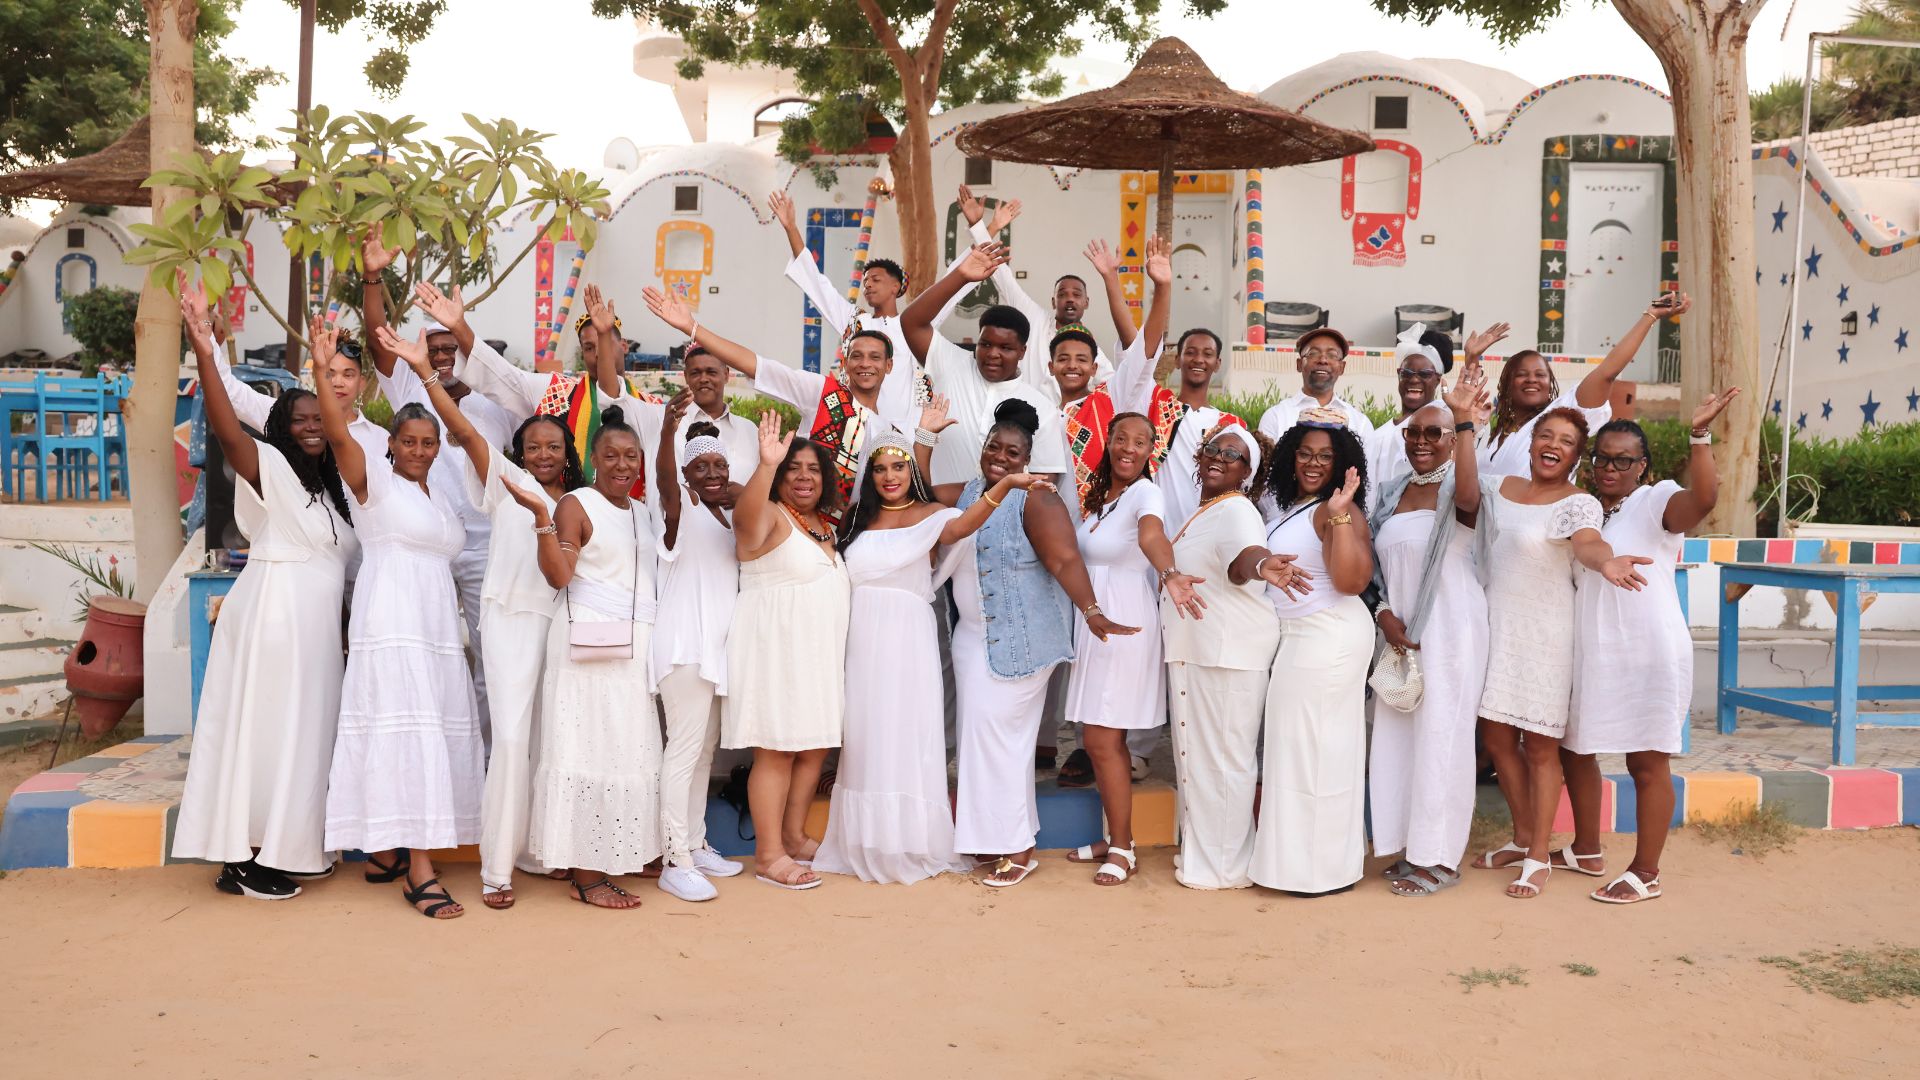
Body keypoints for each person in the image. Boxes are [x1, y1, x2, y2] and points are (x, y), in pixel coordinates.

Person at [372, 324, 581, 911]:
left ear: (568, 455)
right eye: (533, 447)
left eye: (553, 447)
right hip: (511, 622)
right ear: (519, 452)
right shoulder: (506, 482)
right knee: (510, 739)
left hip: (562, 628)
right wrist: (427, 373)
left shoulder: (578, 503)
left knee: (550, 741)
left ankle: (542, 849)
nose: (542, 455)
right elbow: (462, 431)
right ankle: (497, 868)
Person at [170, 288, 360, 901]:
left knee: (303, 740)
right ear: (279, 428)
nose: (311, 427)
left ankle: (287, 846)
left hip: (313, 635)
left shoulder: (332, 490)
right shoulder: (270, 467)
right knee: (264, 733)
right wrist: (204, 348)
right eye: (299, 420)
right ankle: (243, 859)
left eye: (318, 418)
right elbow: (229, 430)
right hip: (274, 622)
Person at [815, 420, 1046, 884]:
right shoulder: (857, 518)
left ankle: (913, 841)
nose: (890, 476)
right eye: (880, 468)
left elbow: (963, 525)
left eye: (898, 466)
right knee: (865, 734)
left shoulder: (932, 514)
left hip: (910, 638)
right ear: (870, 475)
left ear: (910, 472)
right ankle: (868, 839)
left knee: (908, 731)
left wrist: (1003, 486)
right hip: (862, 639)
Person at [921, 400, 1134, 887]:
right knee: (982, 744)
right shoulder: (969, 491)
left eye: (1011, 452)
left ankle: (1017, 848)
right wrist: (924, 437)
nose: (1000, 457)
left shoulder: (1037, 498)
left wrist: (1092, 611)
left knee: (1003, 746)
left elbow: (1064, 560)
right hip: (973, 640)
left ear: (1027, 458)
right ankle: (992, 840)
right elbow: (917, 491)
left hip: (1021, 642)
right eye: (993, 447)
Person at [312, 319, 483, 920]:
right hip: (392, 623)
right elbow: (337, 434)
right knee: (405, 733)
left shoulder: (441, 495)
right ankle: (420, 869)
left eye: (427, 443)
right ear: (391, 444)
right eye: (408, 441)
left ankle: (385, 851)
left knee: (424, 730)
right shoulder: (374, 483)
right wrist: (321, 372)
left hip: (435, 629)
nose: (418, 451)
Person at [1456, 406, 1653, 899]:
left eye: (1566, 441)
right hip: (1497, 629)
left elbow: (1587, 544)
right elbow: (1464, 498)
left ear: (1576, 456)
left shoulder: (1578, 503)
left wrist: (1607, 563)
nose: (1553, 445)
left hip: (1546, 636)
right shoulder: (1500, 488)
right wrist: (1463, 423)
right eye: (1546, 435)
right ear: (1531, 442)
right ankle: (1523, 836)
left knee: (1542, 747)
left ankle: (1540, 855)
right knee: (1497, 740)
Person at [1562, 388, 1740, 906]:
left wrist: (1699, 436)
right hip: (1593, 650)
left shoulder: (1656, 499)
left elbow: (1702, 500)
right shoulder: (1585, 509)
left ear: (1642, 466)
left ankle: (1646, 871)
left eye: (1623, 460)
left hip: (1647, 649)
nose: (1610, 468)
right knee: (1575, 748)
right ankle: (1587, 849)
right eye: (1602, 459)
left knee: (1646, 762)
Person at [363, 246, 519, 744]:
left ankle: (483, 759)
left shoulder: (497, 406)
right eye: (435, 349)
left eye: (454, 348)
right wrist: (372, 277)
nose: (445, 357)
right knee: (421, 651)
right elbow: (377, 338)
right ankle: (427, 751)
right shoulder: (409, 389)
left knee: (490, 656)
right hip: (422, 544)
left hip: (483, 548)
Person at [511, 404, 661, 910]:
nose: (622, 465)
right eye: (611, 455)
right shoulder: (576, 504)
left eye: (631, 456)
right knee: (586, 750)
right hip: (587, 645)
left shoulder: (641, 511)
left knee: (625, 750)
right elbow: (559, 576)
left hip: (631, 648)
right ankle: (587, 873)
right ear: (593, 458)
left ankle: (617, 851)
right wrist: (542, 520)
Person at [1044, 235, 1174, 786]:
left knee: (1103, 657)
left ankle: (1094, 750)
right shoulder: (1042, 412)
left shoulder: (1110, 403)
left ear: (1096, 366)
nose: (1073, 365)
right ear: (1051, 365)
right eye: (1064, 358)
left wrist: (1156, 286)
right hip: (1059, 548)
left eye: (1083, 358)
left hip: (1106, 554)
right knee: (1064, 653)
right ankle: (1053, 743)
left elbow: (1146, 347)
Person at [1365, 370, 1494, 897]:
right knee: (1399, 739)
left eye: (1434, 433)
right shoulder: (1392, 492)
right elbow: (1376, 569)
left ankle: (1439, 858)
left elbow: (1469, 499)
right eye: (1413, 433)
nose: (1421, 442)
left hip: (1452, 629)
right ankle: (1408, 846)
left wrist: (1463, 422)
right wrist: (1384, 616)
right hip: (1399, 632)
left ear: (1452, 440)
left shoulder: (1460, 486)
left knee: (1444, 737)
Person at [1162, 425, 1308, 889]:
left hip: (1228, 652)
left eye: (1233, 455)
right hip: (1202, 649)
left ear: (1248, 472)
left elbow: (1245, 558)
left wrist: (1263, 566)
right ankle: (1206, 857)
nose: (1218, 457)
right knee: (1200, 761)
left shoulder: (1238, 510)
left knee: (1225, 763)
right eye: (1213, 448)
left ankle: (1225, 867)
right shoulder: (1208, 510)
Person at [1059, 411, 1198, 885]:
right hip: (1096, 622)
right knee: (1099, 740)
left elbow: (1152, 534)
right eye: (1121, 438)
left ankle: (1122, 847)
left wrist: (1169, 573)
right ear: (1109, 441)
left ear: (1149, 452)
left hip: (1124, 624)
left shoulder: (1145, 494)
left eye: (1140, 442)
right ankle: (1114, 837)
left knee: (1103, 740)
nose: (1129, 448)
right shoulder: (1102, 501)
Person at [1249, 411, 1375, 896]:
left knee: (1315, 752)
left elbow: (1350, 581)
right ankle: (1307, 866)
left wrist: (1341, 513)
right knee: (1301, 750)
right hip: (1302, 637)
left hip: (1328, 635)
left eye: (1325, 456)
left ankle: (1317, 872)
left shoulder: (1335, 510)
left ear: (1341, 463)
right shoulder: (1290, 506)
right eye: (1304, 453)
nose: (1313, 463)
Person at [725, 412, 852, 891]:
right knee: (776, 752)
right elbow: (744, 525)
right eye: (792, 468)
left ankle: (795, 837)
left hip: (816, 657)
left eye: (813, 469)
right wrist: (765, 464)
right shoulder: (771, 515)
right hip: (775, 653)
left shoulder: (823, 527)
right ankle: (768, 855)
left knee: (814, 747)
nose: (803, 476)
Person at [642, 285, 904, 513]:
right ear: (845, 364)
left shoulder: (889, 432)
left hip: (843, 538)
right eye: (857, 356)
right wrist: (693, 328)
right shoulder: (822, 392)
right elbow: (756, 365)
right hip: (795, 528)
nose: (865, 364)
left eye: (875, 357)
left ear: (889, 365)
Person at [650, 395, 750, 901]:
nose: (713, 474)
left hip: (714, 651)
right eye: (701, 467)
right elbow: (665, 482)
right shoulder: (682, 507)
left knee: (704, 752)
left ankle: (694, 842)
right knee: (684, 751)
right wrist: (668, 433)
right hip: (685, 646)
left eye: (720, 465)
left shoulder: (727, 516)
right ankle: (675, 860)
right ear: (688, 474)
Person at [769, 190, 969, 425]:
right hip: (857, 428)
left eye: (875, 279)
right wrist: (791, 227)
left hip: (905, 430)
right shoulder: (854, 321)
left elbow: (953, 286)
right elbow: (815, 282)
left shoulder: (914, 324)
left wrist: (983, 230)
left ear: (896, 286)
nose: (868, 285)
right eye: (865, 281)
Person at [899, 242, 1070, 486]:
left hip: (1001, 511)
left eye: (1006, 348)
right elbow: (911, 322)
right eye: (986, 344)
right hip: (935, 507)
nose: (992, 354)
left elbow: (1044, 481)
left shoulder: (1040, 408)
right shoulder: (951, 361)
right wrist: (960, 277)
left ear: (1022, 352)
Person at [1476, 294, 1689, 479]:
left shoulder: (1563, 414)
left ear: (1550, 383)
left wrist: (1650, 316)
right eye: (1522, 374)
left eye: (1540, 375)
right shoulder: (1493, 433)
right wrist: (1472, 358)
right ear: (1507, 385)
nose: (1532, 379)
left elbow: (1607, 372)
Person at [581, 285, 758, 475]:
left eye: (711, 372)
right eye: (696, 372)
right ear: (686, 376)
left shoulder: (749, 431)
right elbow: (612, 397)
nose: (704, 379)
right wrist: (604, 335)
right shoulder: (659, 418)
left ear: (727, 374)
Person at [957, 188, 1116, 394]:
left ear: (1086, 302)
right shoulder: (1034, 318)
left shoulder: (1088, 348)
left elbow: (1113, 386)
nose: (1069, 299)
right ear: (1053, 302)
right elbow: (1003, 276)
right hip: (1019, 411)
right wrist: (978, 226)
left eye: (1077, 295)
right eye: (1062, 294)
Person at [1366, 322, 1484, 509]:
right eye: (1407, 373)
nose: (1414, 379)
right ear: (1398, 375)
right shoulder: (1378, 435)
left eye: (1424, 374)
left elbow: (1465, 401)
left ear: (1438, 379)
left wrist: (1472, 360)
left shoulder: (1446, 421)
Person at [1254, 327, 1377, 447]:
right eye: (1313, 353)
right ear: (1299, 364)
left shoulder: (1360, 423)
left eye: (1332, 355)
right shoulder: (1276, 417)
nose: (1323, 360)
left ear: (1342, 367)